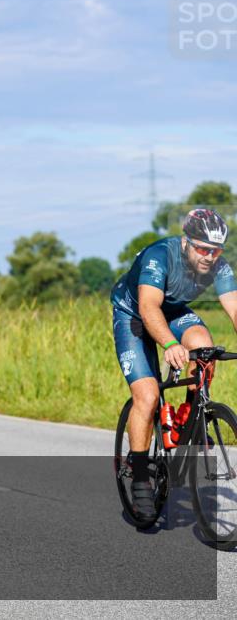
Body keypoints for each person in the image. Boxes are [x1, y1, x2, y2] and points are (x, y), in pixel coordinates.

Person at [111, 208, 237, 520]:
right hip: (134, 314)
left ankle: (191, 416)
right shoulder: (160, 256)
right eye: (203, 249)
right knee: (148, 395)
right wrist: (169, 344)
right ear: (186, 242)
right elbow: (148, 307)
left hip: (173, 311)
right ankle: (140, 474)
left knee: (205, 349)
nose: (210, 257)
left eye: (216, 250)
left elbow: (234, 307)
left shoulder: (219, 266)